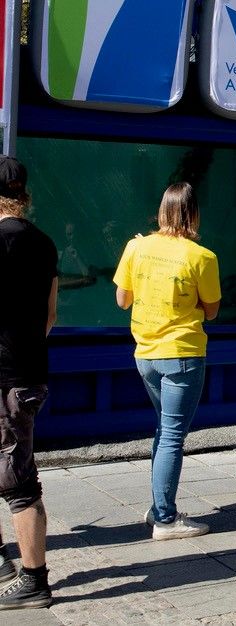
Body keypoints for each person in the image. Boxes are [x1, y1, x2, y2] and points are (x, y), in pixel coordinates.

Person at [113, 182, 220, 541]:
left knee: (164, 429)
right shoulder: (201, 257)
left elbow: (122, 300)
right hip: (183, 355)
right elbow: (213, 310)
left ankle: (159, 505)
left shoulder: (136, 247)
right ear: (193, 214)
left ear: (161, 211)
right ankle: (165, 519)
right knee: (173, 435)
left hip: (146, 354)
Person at [0, 156, 56, 610]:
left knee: (19, 481)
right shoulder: (44, 242)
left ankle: (34, 580)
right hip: (29, 371)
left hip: (6, 379)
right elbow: (50, 316)